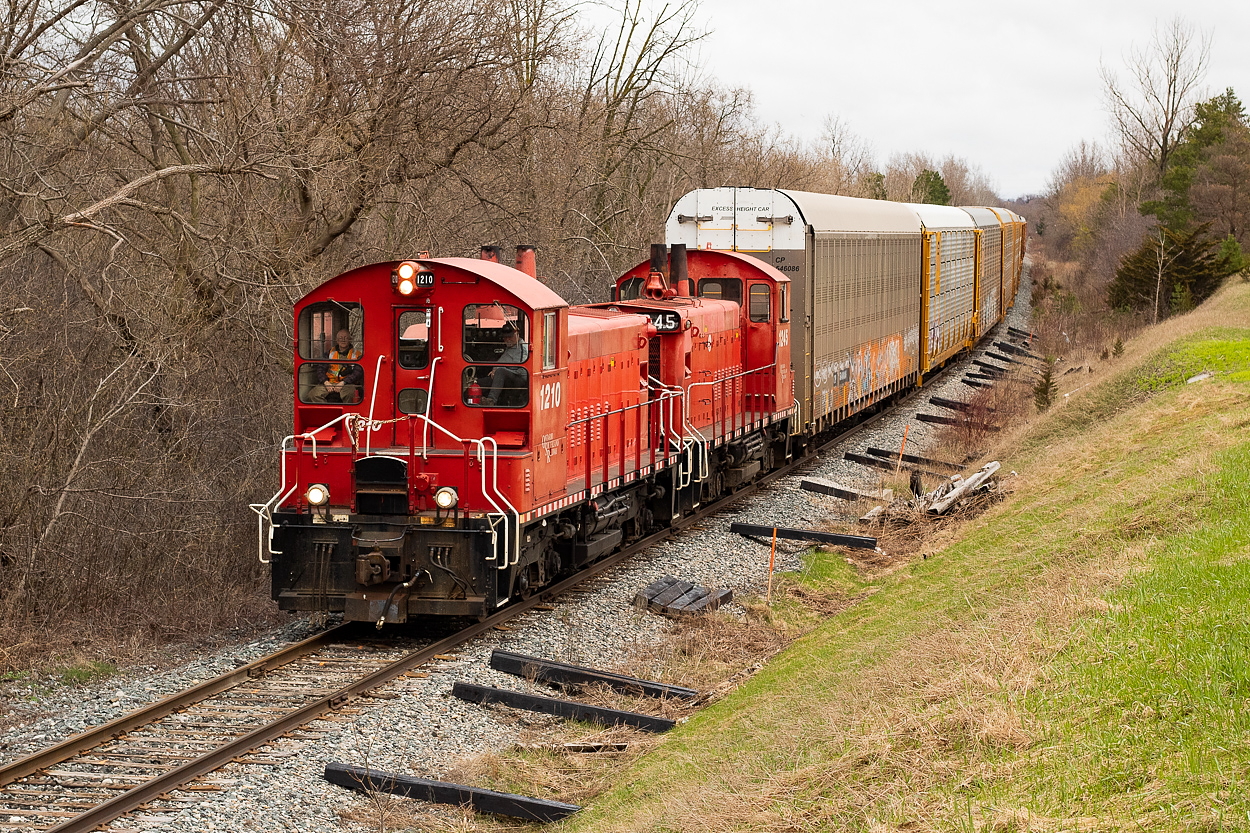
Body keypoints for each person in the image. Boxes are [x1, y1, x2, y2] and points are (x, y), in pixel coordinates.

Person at [308, 329, 364, 403]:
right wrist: (325, 382)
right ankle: (327, 413)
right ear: (337, 340)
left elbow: (357, 373)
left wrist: (343, 383)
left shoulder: (357, 354)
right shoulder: (329, 353)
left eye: (345, 338)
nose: (343, 340)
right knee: (313, 395)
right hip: (329, 382)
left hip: (347, 384)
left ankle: (346, 414)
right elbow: (320, 369)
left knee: (350, 395)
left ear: (350, 339)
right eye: (340, 338)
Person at [479, 325, 529, 406]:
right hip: (500, 377)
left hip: (517, 380)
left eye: (510, 337)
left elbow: (521, 370)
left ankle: (491, 400)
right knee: (478, 383)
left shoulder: (523, 349)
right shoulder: (510, 347)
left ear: (517, 334)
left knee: (501, 372)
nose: (507, 339)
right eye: (505, 337)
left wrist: (499, 370)